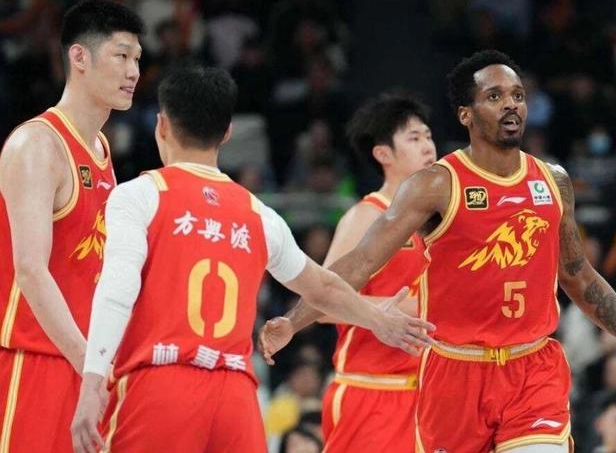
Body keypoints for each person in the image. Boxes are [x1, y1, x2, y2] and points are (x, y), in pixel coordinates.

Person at [259, 50, 616, 452]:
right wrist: (293, 321)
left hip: (532, 369)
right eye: (495, 96)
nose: (510, 104)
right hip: (454, 373)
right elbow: (359, 263)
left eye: (518, 95)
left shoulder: (553, 181)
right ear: (466, 114)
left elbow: (578, 275)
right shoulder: (435, 185)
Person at [69, 66, 435, 453]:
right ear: (228, 132)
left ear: (162, 125)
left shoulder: (139, 195)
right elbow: (324, 288)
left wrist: (92, 382)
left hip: (162, 382)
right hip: (235, 394)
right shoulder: (259, 213)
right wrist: (379, 319)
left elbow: (117, 290)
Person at [0, 0, 143, 453]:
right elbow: (30, 270)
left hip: (82, 361)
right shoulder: (37, 144)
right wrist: (90, 365)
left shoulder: (100, 147)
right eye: (121, 56)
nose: (134, 72)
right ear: (79, 57)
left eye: (137, 59)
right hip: (34, 360)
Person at [315, 93, 436, 452]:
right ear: (383, 154)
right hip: (371, 392)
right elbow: (321, 303)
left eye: (428, 135)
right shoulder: (366, 216)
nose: (427, 146)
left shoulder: (439, 220)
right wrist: (398, 309)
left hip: (427, 395)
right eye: (414, 138)